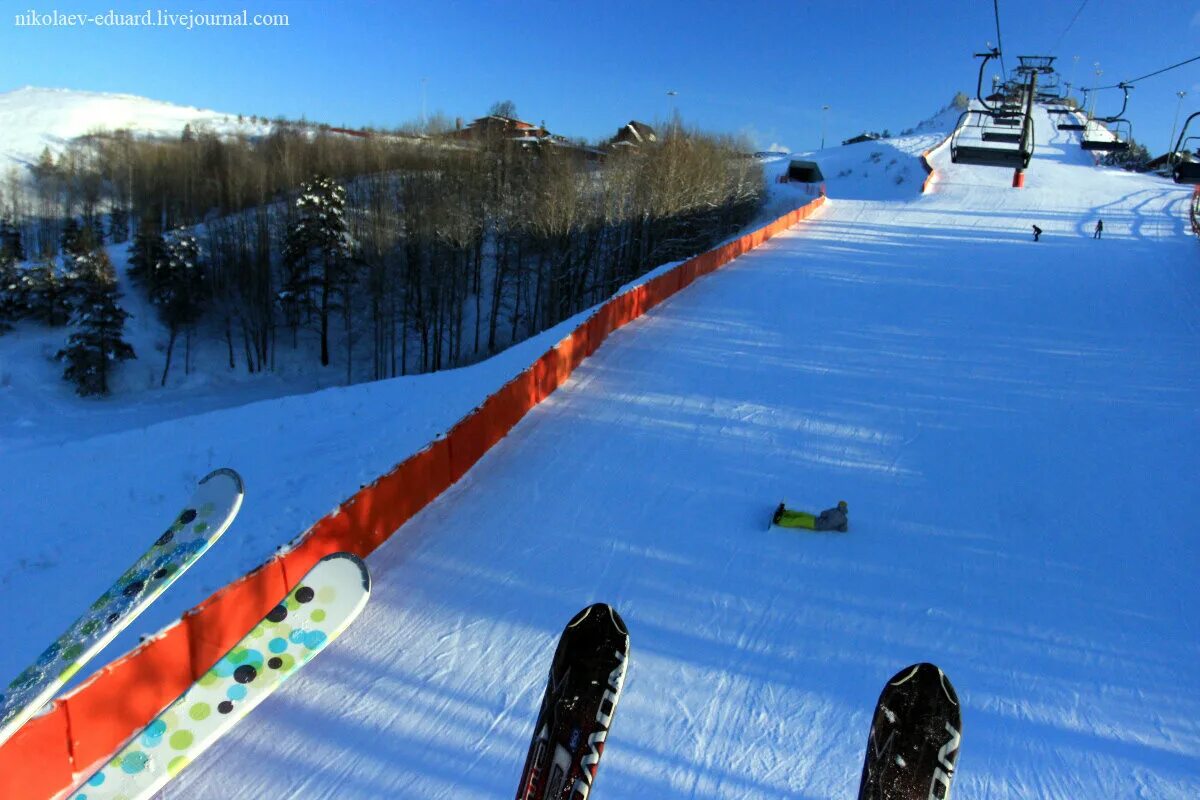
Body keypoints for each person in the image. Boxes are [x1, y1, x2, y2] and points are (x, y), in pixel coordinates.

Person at [772, 500, 849, 532]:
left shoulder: (834, 510)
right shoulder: (845, 520)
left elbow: (823, 513)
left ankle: (779, 520)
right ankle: (784, 513)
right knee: (801, 516)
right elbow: (843, 529)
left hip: (816, 524)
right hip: (817, 522)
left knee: (799, 519)